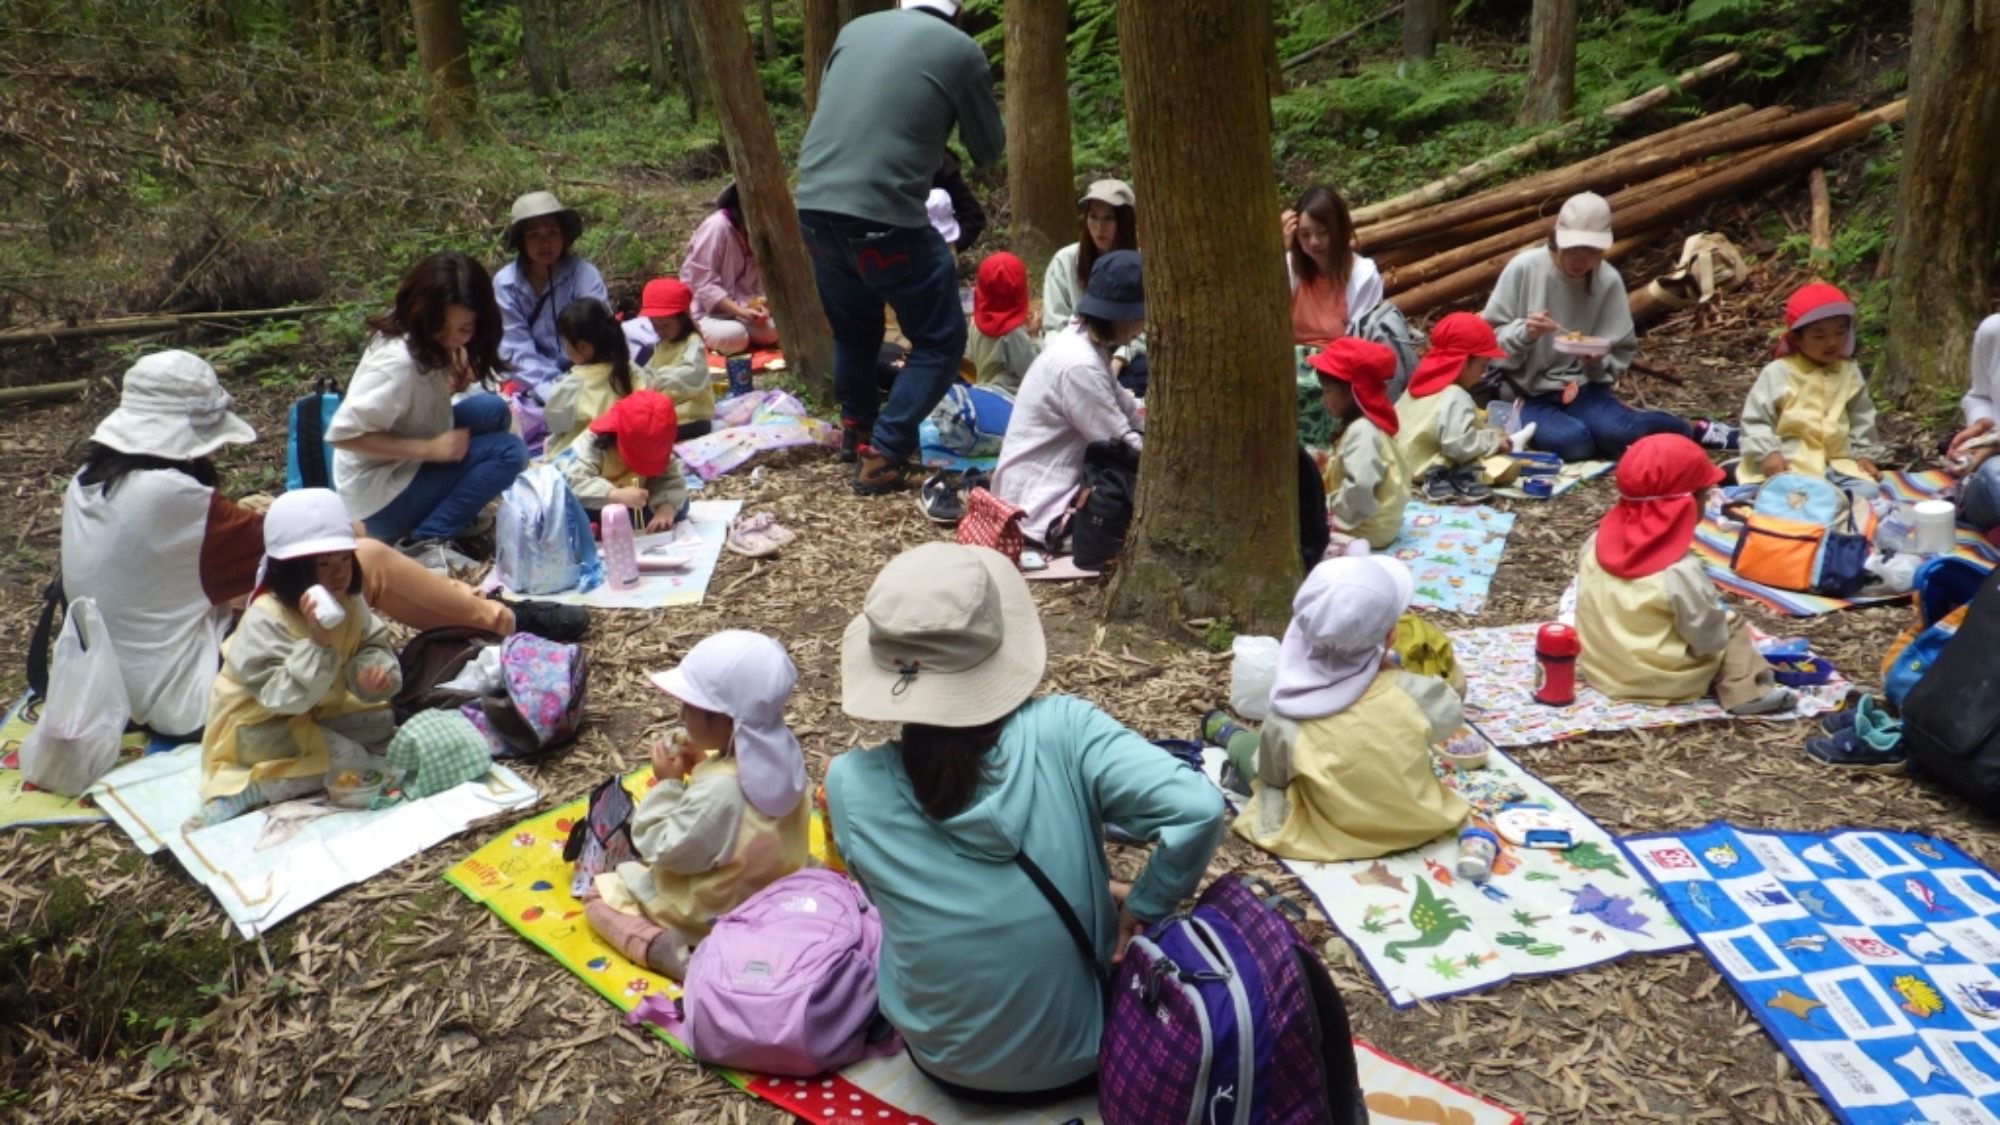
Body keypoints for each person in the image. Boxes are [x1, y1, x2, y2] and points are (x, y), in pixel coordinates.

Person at [824, 542, 1225, 1101]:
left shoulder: (847, 784)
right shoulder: (1065, 731)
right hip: (1086, 1056)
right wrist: (1143, 906)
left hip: (941, 1063)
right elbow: (1199, 809)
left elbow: (910, 896)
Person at [58, 351, 583, 739]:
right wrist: (345, 530)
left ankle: (485, 614)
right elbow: (304, 550)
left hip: (121, 688)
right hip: (191, 698)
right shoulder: (168, 498)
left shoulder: (90, 481)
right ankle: (504, 620)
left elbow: (211, 557)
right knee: (365, 561)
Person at [796, 0, 1004, 495]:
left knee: (854, 329)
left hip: (814, 209)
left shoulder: (856, 30)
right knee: (940, 339)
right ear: (955, 13)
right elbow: (988, 150)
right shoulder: (961, 49)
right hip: (885, 217)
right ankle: (884, 455)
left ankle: (858, 428)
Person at [581, 631, 810, 977]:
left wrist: (668, 785)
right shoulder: (784, 753)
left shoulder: (720, 790)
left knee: (599, 895)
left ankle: (660, 947)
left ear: (725, 719)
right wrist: (706, 763)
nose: (681, 714)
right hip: (774, 893)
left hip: (719, 910)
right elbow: (743, 806)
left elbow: (666, 849)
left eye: (690, 706)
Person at [1233, 557, 1471, 863]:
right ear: (1389, 640)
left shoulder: (1286, 721)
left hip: (1329, 834)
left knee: (1253, 753)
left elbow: (1274, 777)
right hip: (1417, 823)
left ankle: (1226, 734)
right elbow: (1451, 711)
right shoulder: (1415, 693)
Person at [189, 490, 402, 828]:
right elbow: (281, 699)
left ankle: (307, 762)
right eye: (323, 565)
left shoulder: (349, 601)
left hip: (316, 708)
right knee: (354, 760)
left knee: (381, 722)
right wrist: (318, 645)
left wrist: (371, 674)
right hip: (261, 725)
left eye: (344, 560)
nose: (338, 574)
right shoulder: (266, 618)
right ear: (291, 570)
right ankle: (249, 790)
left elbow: (369, 642)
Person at [1481, 193, 1728, 462]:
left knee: (1618, 432)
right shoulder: (1524, 268)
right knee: (1573, 445)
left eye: (1591, 252)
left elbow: (1618, 353)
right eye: (1574, 249)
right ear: (1557, 239)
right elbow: (1488, 340)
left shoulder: (1607, 280)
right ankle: (1596, 432)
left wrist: (1594, 361)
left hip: (1581, 387)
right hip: (1526, 392)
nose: (1581, 260)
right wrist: (1524, 333)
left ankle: (1687, 427)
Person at [326, 251, 530, 574]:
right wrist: (427, 450)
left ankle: (450, 513)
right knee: (510, 453)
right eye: (443, 329)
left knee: (493, 411)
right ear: (423, 313)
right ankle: (424, 542)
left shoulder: (423, 334)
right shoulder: (396, 363)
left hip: (403, 465)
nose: (451, 339)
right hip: (377, 501)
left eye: (464, 330)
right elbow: (343, 435)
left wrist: (455, 360)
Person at [1573, 434, 1794, 714]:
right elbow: (1709, 640)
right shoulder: (1679, 571)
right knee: (1729, 624)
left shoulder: (1593, 546)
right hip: (1665, 684)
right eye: (1705, 494)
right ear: (1686, 503)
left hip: (1600, 671)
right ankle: (1746, 692)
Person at [993, 250, 1145, 548]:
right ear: (1120, 316)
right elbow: (1119, 443)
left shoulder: (1083, 342)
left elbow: (1125, 408)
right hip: (1036, 506)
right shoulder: (1079, 365)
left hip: (1030, 488)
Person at [1736, 282, 1884, 498]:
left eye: (1840, 332)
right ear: (1797, 338)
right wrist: (1768, 452)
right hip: (1788, 463)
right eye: (1819, 336)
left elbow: (1861, 417)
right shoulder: (1778, 373)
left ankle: (1821, 500)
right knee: (1772, 494)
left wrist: (1863, 455)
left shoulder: (1849, 372)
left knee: (1868, 492)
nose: (1832, 342)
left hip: (1836, 464)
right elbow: (1755, 420)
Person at [1396, 312, 1536, 502]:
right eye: (1482, 366)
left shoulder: (1416, 385)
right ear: (1463, 362)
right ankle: (1454, 480)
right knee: (1502, 465)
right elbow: (1459, 445)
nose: (1483, 373)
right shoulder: (1455, 395)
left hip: (1401, 463)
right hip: (1427, 467)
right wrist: (1493, 442)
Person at [493, 191, 610, 397]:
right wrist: (551, 391)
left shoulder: (583, 274)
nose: (545, 243)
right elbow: (515, 348)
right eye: (534, 235)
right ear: (521, 241)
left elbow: (598, 334)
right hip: (529, 380)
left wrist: (581, 380)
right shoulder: (506, 285)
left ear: (564, 237)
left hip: (584, 372)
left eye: (552, 233)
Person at [1041, 180, 1145, 393]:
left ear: (1124, 221)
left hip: (1126, 359)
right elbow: (1054, 328)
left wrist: (1119, 358)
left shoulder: (1139, 263)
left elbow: (1146, 325)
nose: (1099, 227)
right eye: (1093, 217)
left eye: (1109, 218)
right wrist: (1085, 364)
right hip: (1076, 362)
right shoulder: (1065, 261)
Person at [1311, 337, 1409, 550]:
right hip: (1377, 523)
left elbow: (1361, 487)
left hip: (1367, 529)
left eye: (1328, 391)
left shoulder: (1361, 431)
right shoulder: (1364, 426)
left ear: (1353, 392)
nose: (1323, 399)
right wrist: (1330, 465)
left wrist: (1323, 510)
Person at [560, 390, 690, 533]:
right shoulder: (593, 442)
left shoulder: (659, 445)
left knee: (680, 506)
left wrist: (666, 507)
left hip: (635, 505)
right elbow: (574, 481)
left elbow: (670, 479)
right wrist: (613, 494)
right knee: (572, 513)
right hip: (597, 503)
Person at [682, 184, 778, 356]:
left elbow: (759, 283)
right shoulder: (717, 226)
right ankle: (698, 332)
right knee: (735, 338)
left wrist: (763, 309)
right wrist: (740, 311)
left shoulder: (755, 231)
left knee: (772, 332)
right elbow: (702, 282)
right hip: (705, 311)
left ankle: (741, 330)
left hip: (740, 307)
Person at [621, 277, 716, 441]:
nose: (660, 331)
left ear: (683, 319)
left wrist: (661, 378)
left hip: (693, 412)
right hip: (668, 408)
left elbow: (693, 373)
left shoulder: (692, 342)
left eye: (666, 325)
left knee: (653, 433)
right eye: (654, 325)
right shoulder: (661, 344)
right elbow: (650, 369)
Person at [542, 298, 636, 459]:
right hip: (626, 455)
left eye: (565, 342)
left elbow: (555, 422)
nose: (565, 348)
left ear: (583, 347)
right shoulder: (630, 369)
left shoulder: (573, 384)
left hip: (584, 459)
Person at [1950, 314, 2000, 532]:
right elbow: (1981, 396)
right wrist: (1982, 426)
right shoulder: (1993, 331)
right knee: (1993, 474)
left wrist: (1994, 445)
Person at [964, 252, 1038, 393]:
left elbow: (970, 356)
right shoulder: (1012, 334)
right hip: (1009, 398)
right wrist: (1033, 337)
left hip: (981, 388)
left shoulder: (974, 323)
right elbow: (1033, 370)